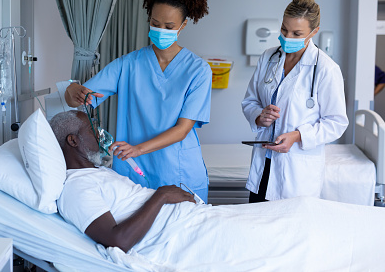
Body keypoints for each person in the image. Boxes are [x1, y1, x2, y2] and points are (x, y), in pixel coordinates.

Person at [50, 110, 385, 271]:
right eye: (93, 130)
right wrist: (163, 195)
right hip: (186, 236)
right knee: (297, 235)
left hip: (196, 220)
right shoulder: (75, 188)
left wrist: (168, 198)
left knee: (302, 213)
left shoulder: (97, 174)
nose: (102, 133)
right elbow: (118, 240)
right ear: (73, 141)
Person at [64, 0, 212, 202]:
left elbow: (183, 129)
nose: (160, 30)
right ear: (148, 20)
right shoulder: (127, 65)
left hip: (179, 170)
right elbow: (83, 97)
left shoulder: (198, 70)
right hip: (134, 172)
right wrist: (72, 90)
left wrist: (138, 149)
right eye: (155, 23)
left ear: (182, 26)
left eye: (169, 26)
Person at [241, 0, 349, 203]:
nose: (287, 37)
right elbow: (250, 100)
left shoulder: (326, 69)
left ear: (314, 32)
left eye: (297, 33)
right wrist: (259, 116)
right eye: (284, 29)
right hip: (263, 167)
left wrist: (298, 136)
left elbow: (336, 122)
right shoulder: (268, 57)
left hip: (296, 174)